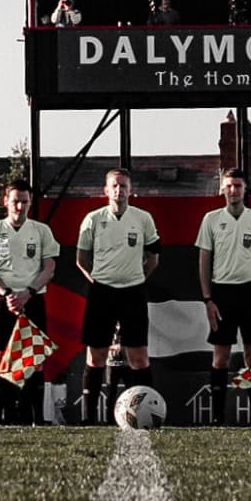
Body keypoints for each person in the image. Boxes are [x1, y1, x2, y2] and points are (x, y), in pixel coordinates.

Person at [193, 171, 251, 424]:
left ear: (245, 188)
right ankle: (217, 417)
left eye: (238, 186)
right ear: (222, 189)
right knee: (221, 355)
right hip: (222, 292)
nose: (233, 190)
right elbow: (204, 262)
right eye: (228, 186)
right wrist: (208, 298)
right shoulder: (211, 219)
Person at [70, 167, 158, 399]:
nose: (119, 190)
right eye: (115, 186)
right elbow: (81, 259)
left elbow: (153, 258)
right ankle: (89, 418)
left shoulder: (143, 219)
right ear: (106, 190)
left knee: (138, 355)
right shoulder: (93, 219)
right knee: (96, 354)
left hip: (133, 293)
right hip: (102, 293)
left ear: (131, 190)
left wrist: (136, 278)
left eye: (124, 186)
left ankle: (146, 408)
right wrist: (100, 280)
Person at [0, 178, 59, 376]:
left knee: (35, 358)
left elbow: (49, 268)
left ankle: (32, 406)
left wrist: (28, 293)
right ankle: (1, 406)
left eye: (25, 201)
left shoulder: (42, 231)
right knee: (0, 355)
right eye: (15, 201)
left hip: (32, 298)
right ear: (5, 201)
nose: (20, 207)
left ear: (30, 202)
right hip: (2, 299)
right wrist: (8, 294)